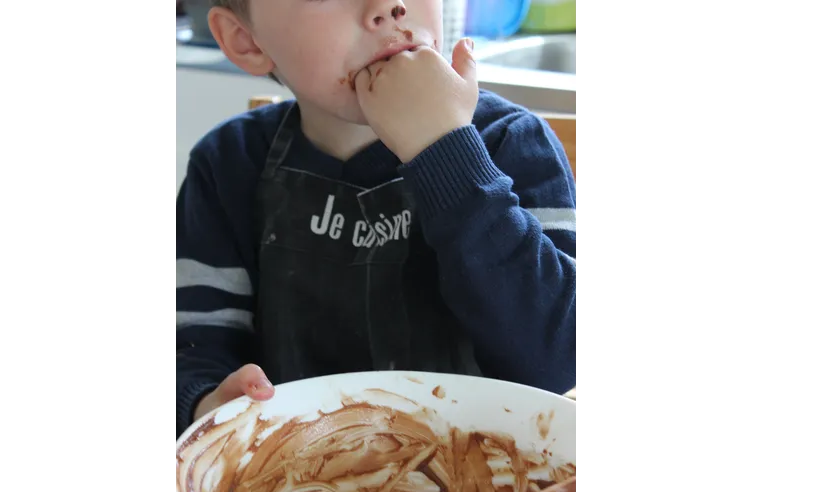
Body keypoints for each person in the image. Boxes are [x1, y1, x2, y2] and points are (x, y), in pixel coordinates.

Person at [172, 0, 577, 435]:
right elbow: (198, 343)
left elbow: (553, 362)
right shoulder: (227, 165)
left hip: (489, 477)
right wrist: (207, 401)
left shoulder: (514, 142)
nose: (388, 6)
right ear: (246, 40)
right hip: (294, 474)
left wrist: (444, 150)